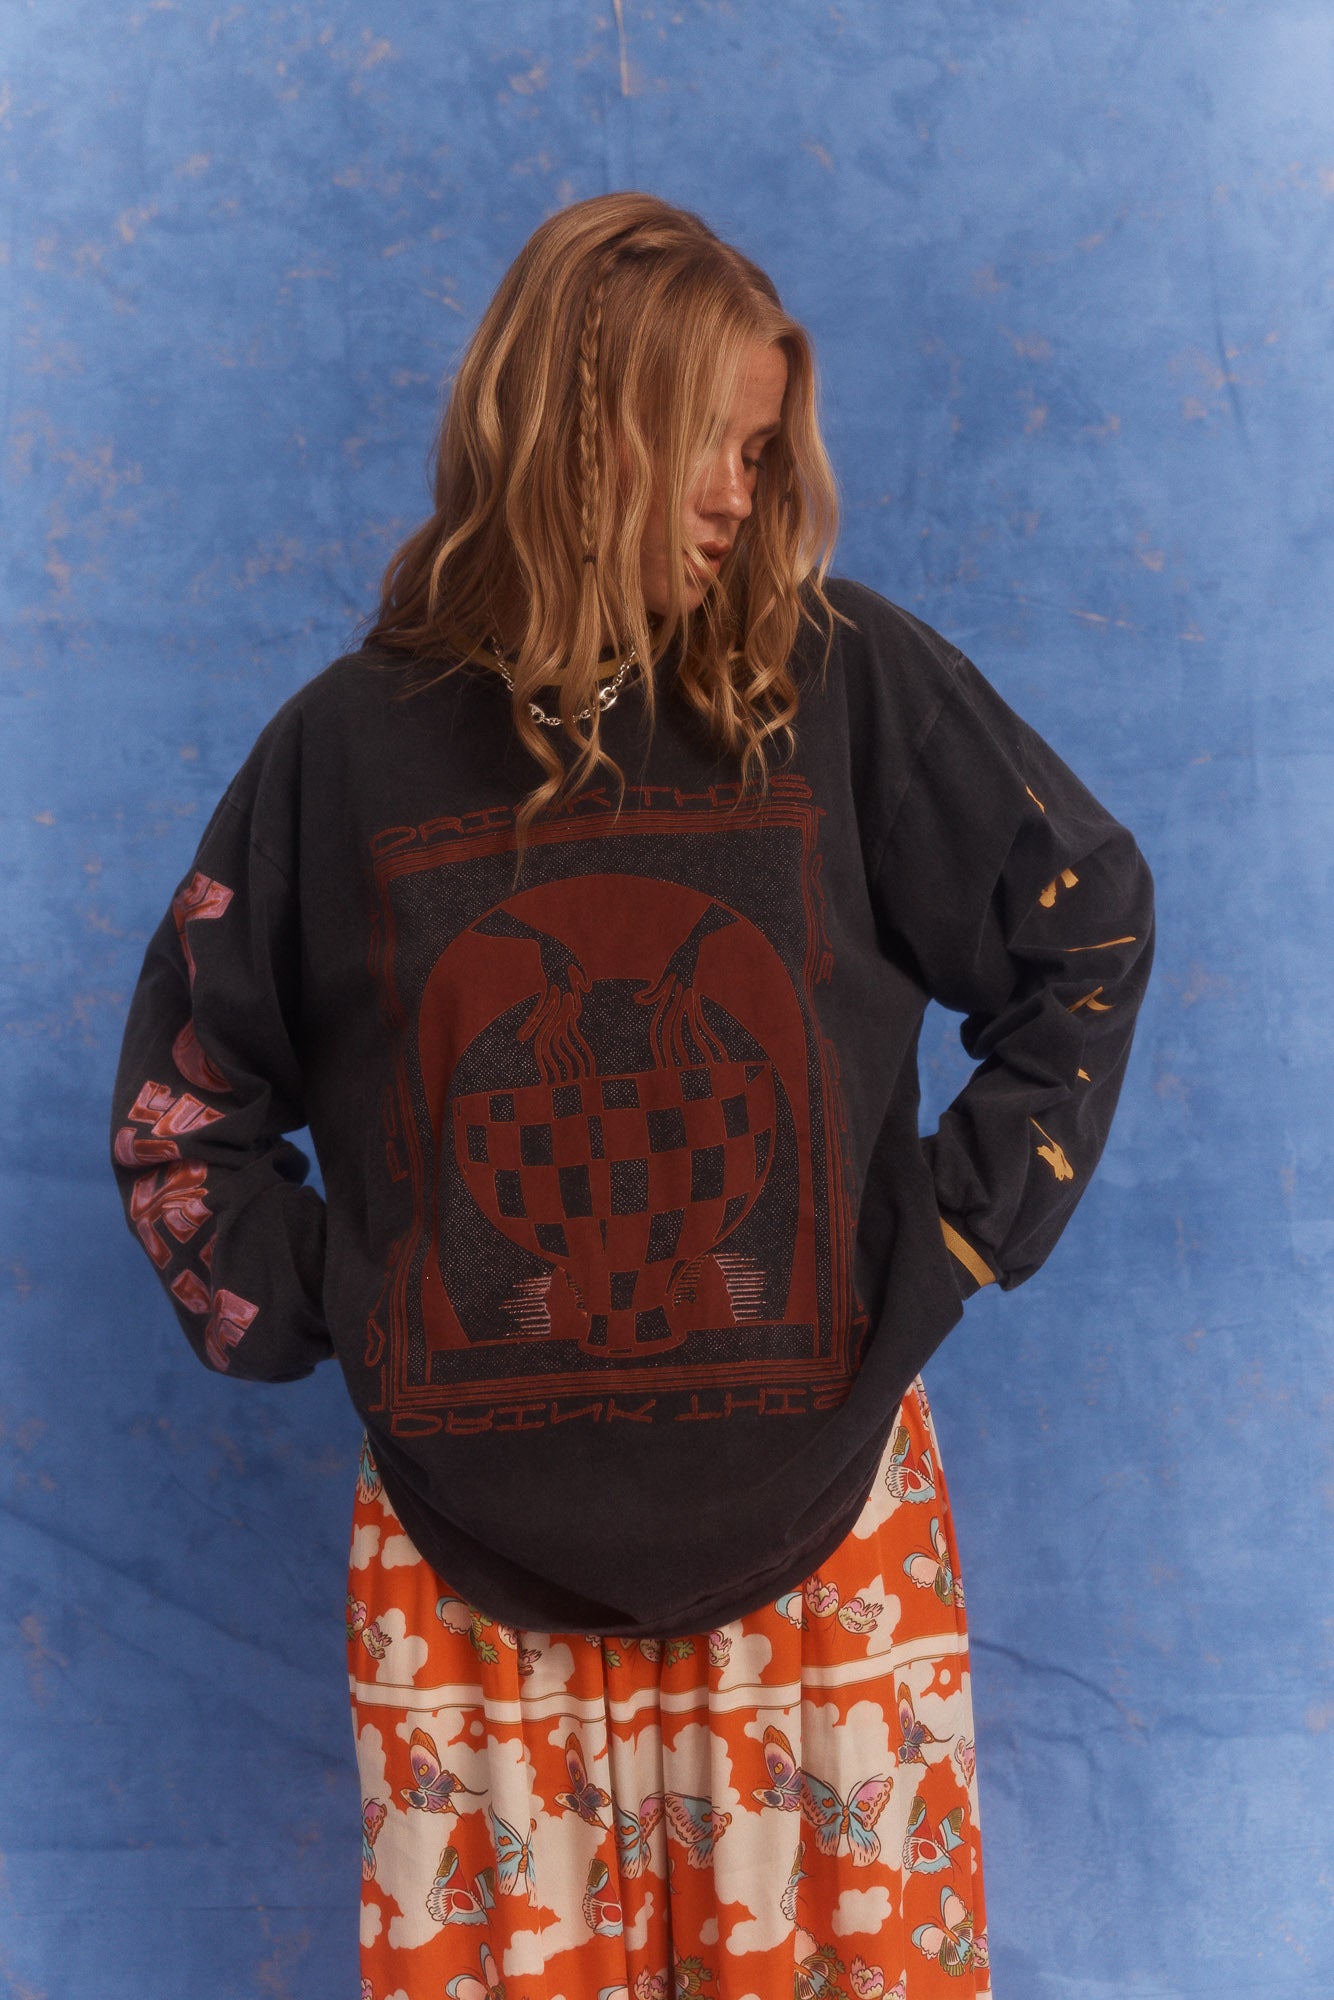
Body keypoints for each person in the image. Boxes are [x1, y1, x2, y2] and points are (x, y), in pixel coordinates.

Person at [108, 190, 1155, 1999]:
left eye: (762, 452)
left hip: (825, 1534)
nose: (742, 497)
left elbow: (1086, 927)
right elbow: (181, 1123)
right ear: (573, 428)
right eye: (706, 446)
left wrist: (961, 1232)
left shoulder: (842, 688)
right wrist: (356, 1300)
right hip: (466, 1587)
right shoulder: (345, 754)